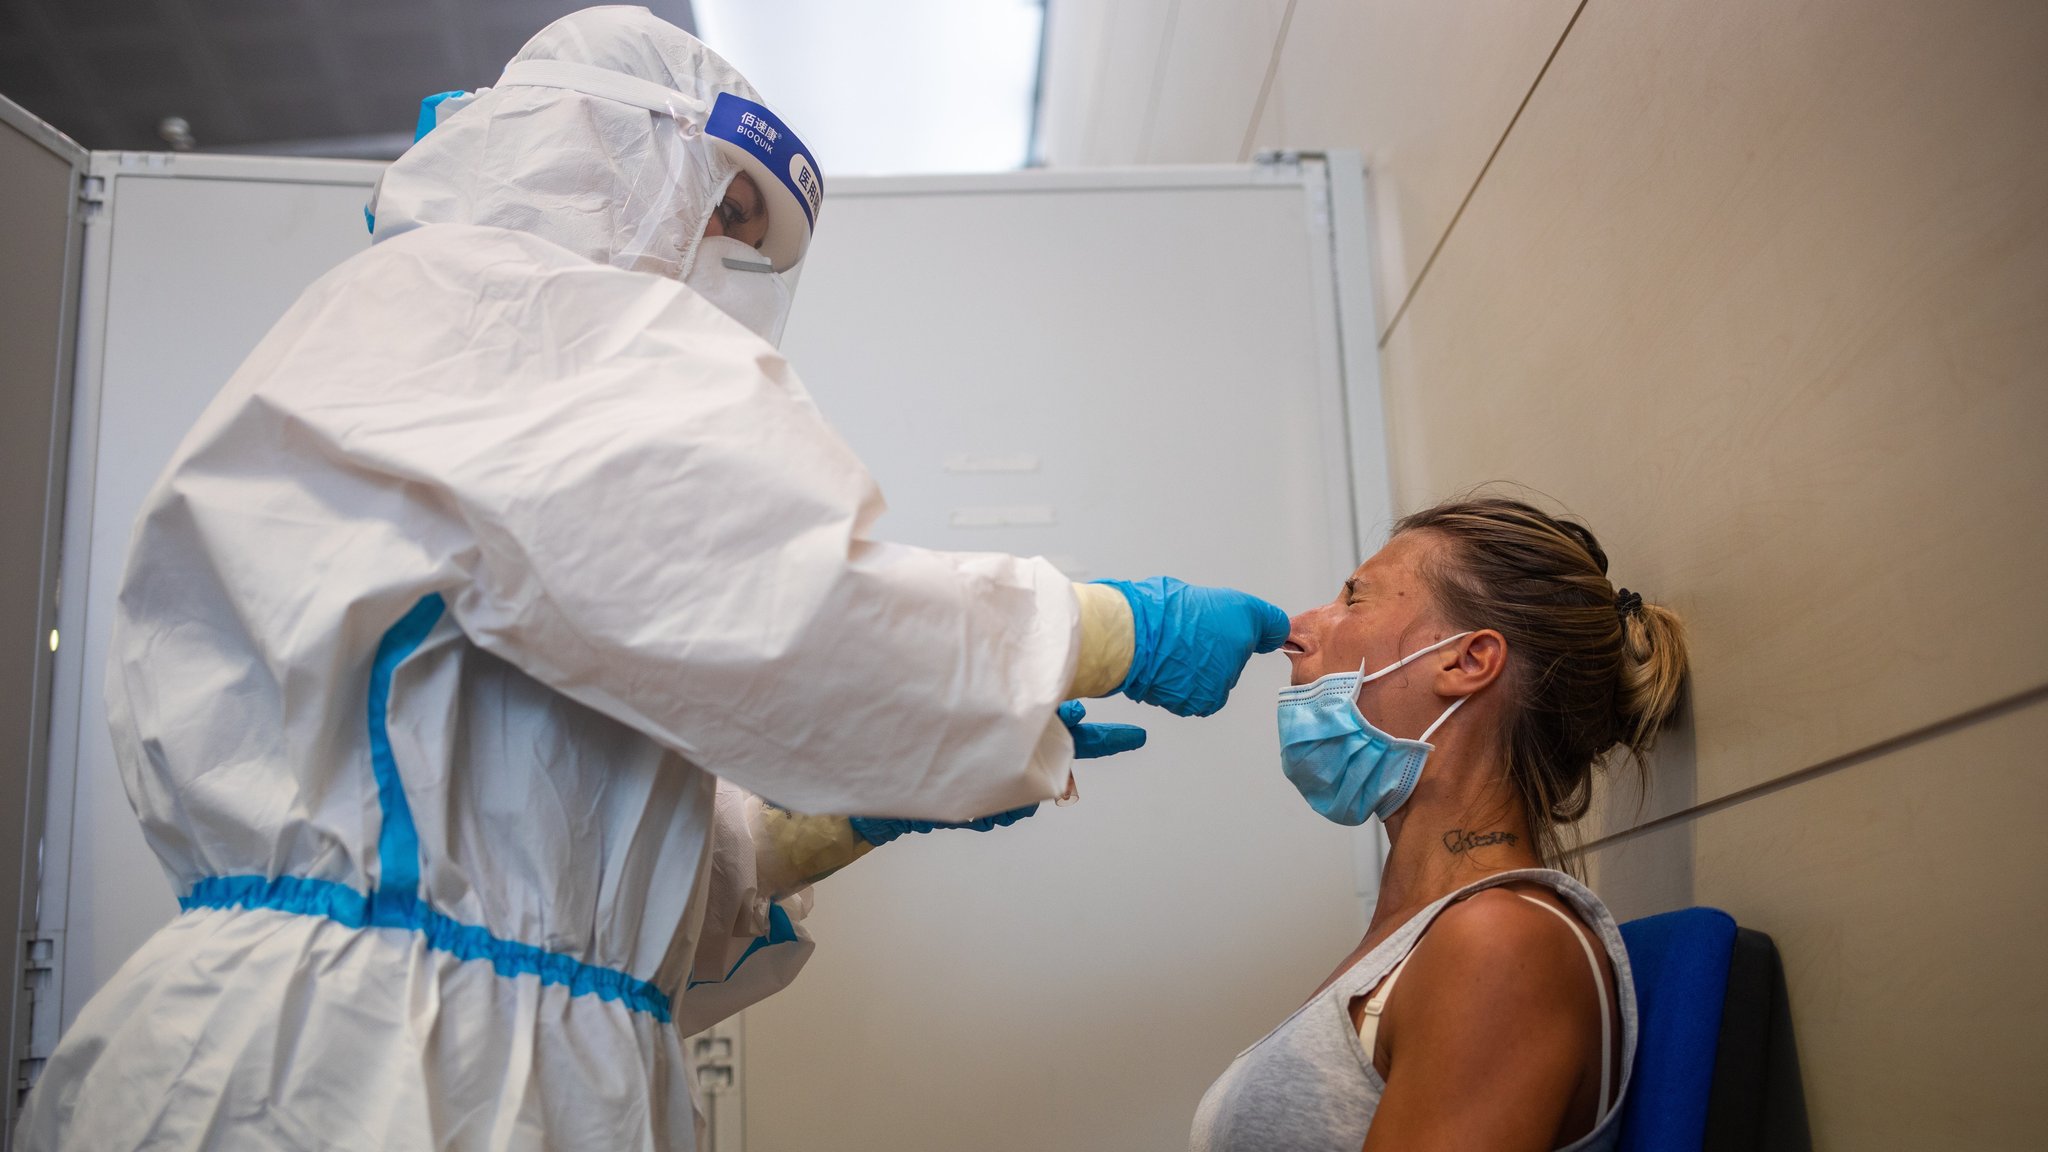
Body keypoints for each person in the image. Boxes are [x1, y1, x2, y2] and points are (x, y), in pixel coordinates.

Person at [16, 8, 1288, 1150]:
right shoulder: (513, 316)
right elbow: (793, 615)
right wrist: (1111, 626)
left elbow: (557, 831)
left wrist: (832, 824)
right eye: (721, 205)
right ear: (603, 152)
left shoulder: (456, 330)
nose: (721, 253)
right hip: (362, 1072)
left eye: (746, 233)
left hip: (414, 1041)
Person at [1191, 496, 1690, 1152]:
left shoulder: (1501, 943)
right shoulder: (1415, 936)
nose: (1299, 627)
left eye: (1353, 599)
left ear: (1466, 662)